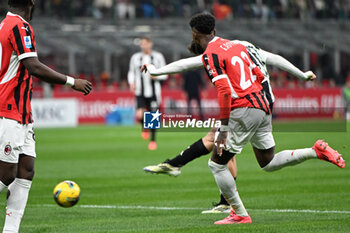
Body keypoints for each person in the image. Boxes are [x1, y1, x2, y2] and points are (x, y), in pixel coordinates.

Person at [146, 12, 345, 224]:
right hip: (263, 107)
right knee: (268, 162)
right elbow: (273, 58)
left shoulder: (211, 54)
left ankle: (239, 213)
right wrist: (301, 74)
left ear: (194, 35)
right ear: (214, 31)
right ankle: (315, 151)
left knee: (216, 164)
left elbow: (222, 89)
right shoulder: (239, 45)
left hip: (242, 110)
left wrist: (224, 126)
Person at [0, 1, 92, 232]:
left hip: (21, 113)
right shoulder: (19, 26)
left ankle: (11, 230)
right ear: (30, 2)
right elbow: (33, 66)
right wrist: (72, 81)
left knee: (26, 169)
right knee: (6, 173)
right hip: (8, 109)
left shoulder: (4, 24)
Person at [128, 36, 167, 150]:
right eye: (142, 44)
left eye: (145, 43)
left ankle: (153, 140)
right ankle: (145, 127)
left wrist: (157, 76)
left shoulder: (158, 57)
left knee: (153, 115)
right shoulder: (135, 58)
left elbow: (165, 73)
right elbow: (131, 72)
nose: (143, 45)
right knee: (140, 114)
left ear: (150, 44)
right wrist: (132, 83)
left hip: (154, 91)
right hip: (140, 90)